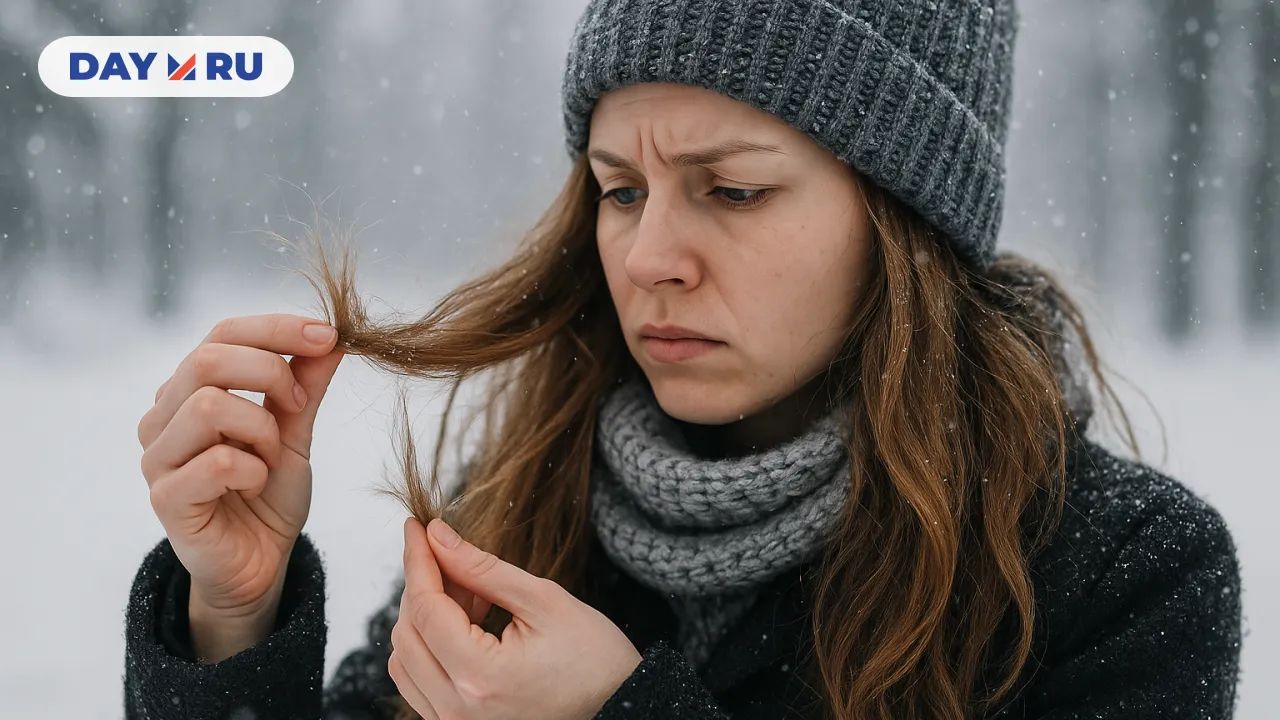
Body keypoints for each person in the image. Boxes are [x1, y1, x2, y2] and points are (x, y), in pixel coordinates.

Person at [123, 0, 1244, 718]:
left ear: (906, 222)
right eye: (619, 190)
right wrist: (236, 613)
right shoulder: (524, 501)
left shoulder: (1120, 575)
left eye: (734, 191)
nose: (649, 256)